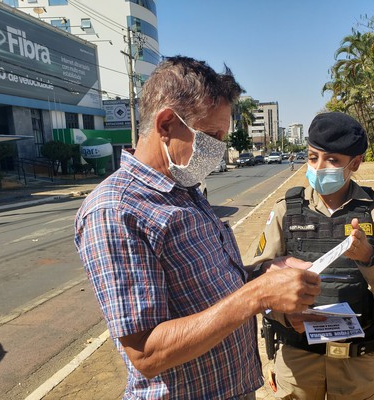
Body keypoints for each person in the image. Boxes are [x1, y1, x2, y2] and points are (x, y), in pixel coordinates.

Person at [74, 56, 321, 399]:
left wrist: (267, 275)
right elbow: (146, 353)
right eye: (211, 136)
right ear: (165, 124)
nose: (218, 150)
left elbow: (215, 286)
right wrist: (256, 295)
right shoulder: (116, 210)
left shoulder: (185, 188)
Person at [248, 112, 374, 399]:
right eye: (313, 157)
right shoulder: (286, 211)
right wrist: (285, 316)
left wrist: (368, 257)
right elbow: (254, 277)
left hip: (356, 363)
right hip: (296, 360)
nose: (319, 167)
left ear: (356, 163)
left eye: (333, 160)